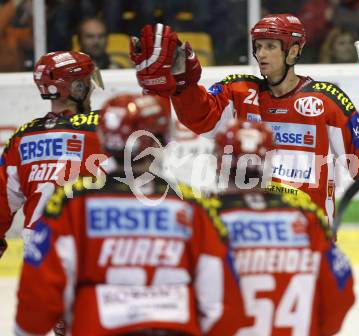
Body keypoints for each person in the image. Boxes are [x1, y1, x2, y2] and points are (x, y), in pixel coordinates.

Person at [128, 16, 359, 258]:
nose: (262, 54)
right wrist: (183, 81)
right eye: (258, 47)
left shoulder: (325, 102)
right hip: (244, 236)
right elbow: (199, 117)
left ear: (293, 51)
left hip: (307, 240)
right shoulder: (240, 92)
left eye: (270, 46)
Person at [14, 94, 246, 336]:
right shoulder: (192, 207)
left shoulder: (71, 204)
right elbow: (221, 303)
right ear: (161, 140)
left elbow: (37, 297)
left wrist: (26, 330)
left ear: (105, 139)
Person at [181, 119, 355, 335]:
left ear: (219, 162)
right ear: (269, 160)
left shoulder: (206, 218)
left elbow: (192, 298)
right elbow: (341, 291)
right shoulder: (306, 218)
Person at [0, 51, 105, 259]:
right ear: (77, 88)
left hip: (38, 255)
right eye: (88, 82)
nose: (92, 88)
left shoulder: (21, 138)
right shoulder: (101, 129)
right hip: (89, 247)